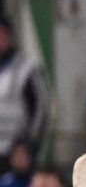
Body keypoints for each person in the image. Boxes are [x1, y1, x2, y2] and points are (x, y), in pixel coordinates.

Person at [0, 12, 49, 165]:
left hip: (15, 151)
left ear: (10, 37)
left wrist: (28, 144)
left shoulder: (27, 69)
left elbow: (40, 110)